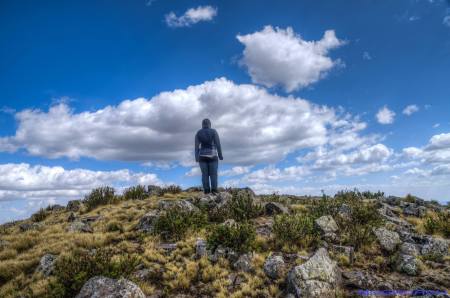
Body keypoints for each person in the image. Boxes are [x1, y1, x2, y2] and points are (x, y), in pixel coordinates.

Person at [195, 118, 223, 194]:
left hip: (202, 156)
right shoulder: (214, 131)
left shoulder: (198, 133)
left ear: (202, 124)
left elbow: (196, 147)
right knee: (213, 174)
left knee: (205, 175)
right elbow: (218, 144)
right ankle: (214, 190)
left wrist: (196, 157)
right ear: (210, 124)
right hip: (213, 155)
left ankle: (206, 191)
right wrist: (220, 155)